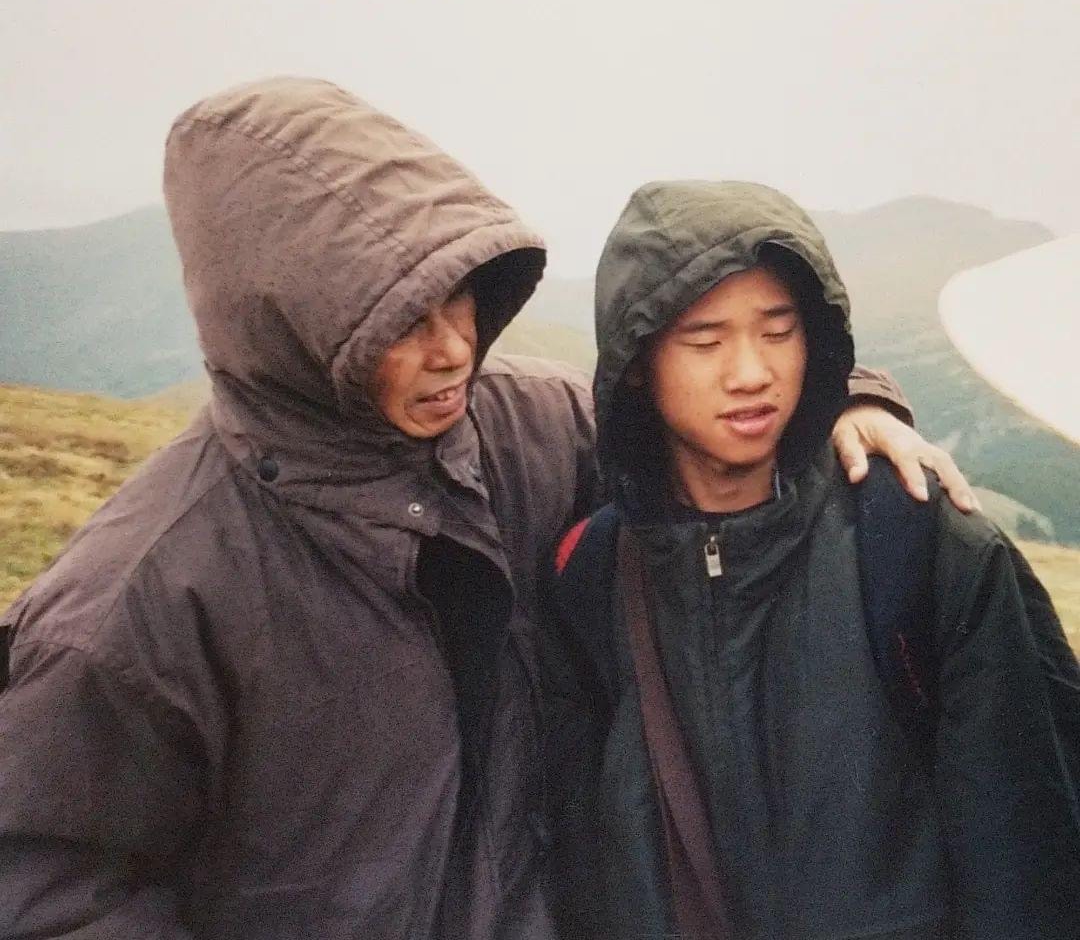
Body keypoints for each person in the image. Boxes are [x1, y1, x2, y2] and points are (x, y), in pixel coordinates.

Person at [0, 81, 968, 939]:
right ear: (290, 331)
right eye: (400, 322)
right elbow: (39, 883)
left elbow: (681, 414)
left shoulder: (522, 432)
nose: (455, 347)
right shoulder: (140, 600)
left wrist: (849, 399)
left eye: (464, 300)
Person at [542, 180, 1080, 939]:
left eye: (778, 330)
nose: (750, 372)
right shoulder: (591, 571)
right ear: (636, 360)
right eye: (705, 340)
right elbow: (575, 856)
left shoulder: (918, 541)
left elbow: (1026, 860)